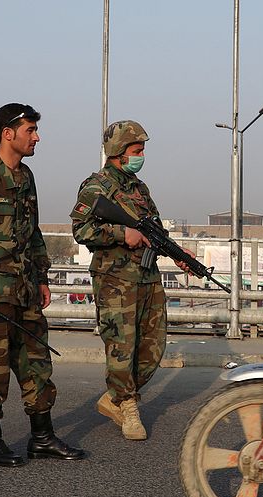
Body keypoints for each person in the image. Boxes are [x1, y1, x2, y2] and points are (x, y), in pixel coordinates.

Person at [0, 103, 86, 466]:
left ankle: (41, 437)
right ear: (8, 133)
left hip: (26, 290)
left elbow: (34, 233)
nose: (37, 137)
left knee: (37, 363)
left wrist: (42, 277)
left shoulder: (26, 178)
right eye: (31, 130)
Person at [71, 120, 194, 441]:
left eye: (141, 151)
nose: (141, 156)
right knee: (121, 348)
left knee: (154, 345)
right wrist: (120, 233)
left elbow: (155, 232)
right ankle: (127, 404)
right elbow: (81, 230)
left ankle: (114, 396)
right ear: (118, 152)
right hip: (114, 280)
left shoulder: (140, 189)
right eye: (136, 150)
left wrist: (179, 254)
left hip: (146, 276)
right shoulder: (96, 187)